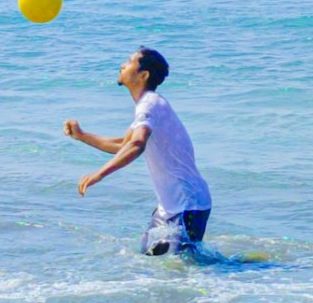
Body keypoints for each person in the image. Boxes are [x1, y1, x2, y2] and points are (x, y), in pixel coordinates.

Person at [63, 48, 212, 255]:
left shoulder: (149, 104)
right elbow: (124, 145)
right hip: (168, 207)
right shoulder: (148, 104)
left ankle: (247, 270)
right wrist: (82, 135)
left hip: (187, 204)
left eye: (130, 61)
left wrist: (99, 174)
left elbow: (137, 145)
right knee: (147, 258)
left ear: (143, 75)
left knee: (182, 269)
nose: (123, 65)